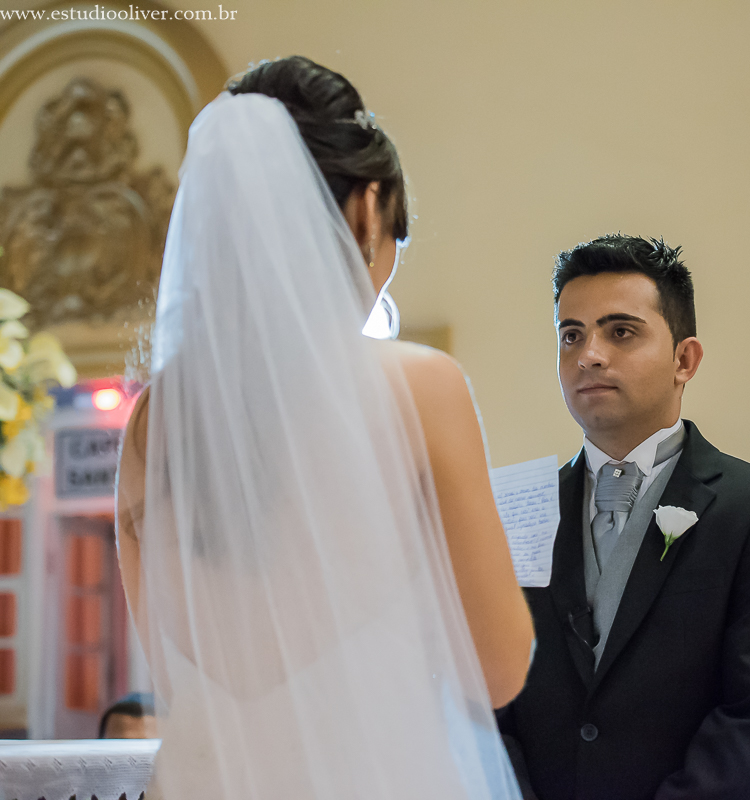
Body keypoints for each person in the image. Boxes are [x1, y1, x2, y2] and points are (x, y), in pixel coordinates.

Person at [114, 57, 533, 799]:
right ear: (368, 208)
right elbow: (499, 668)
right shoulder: (421, 386)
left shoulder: (155, 420)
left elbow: (168, 653)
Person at [496, 235, 750, 800]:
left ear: (684, 359)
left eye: (620, 331)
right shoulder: (514, 510)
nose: (589, 355)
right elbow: (486, 700)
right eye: (571, 335)